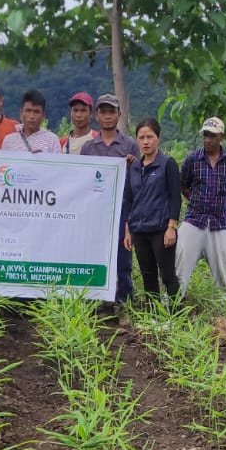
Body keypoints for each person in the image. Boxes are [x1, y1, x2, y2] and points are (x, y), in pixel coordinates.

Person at [177, 116, 226, 295]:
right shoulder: (192, 159)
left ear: (221, 137)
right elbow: (183, 186)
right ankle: (173, 303)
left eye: (212, 136)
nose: (207, 140)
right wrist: (196, 201)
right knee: (180, 262)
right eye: (205, 135)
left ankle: (223, 306)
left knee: (221, 270)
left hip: (220, 222)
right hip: (194, 219)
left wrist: (219, 205)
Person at [81, 94, 135, 307]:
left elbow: (136, 180)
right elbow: (82, 180)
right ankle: (96, 301)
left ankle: (124, 303)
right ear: (97, 116)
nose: (108, 116)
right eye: (103, 112)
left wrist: (131, 164)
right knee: (95, 255)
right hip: (95, 212)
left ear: (119, 115)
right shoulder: (88, 147)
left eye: (112, 111)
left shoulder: (130, 146)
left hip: (122, 209)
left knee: (123, 259)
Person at [122, 117, 181, 303]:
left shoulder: (167, 164)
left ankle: (176, 314)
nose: (145, 142)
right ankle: (153, 314)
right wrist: (128, 230)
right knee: (148, 278)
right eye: (141, 138)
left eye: (150, 137)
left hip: (161, 230)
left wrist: (171, 227)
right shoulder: (134, 167)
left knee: (168, 276)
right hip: (139, 231)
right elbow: (129, 200)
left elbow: (175, 197)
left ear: (158, 138)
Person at [2, 90, 61, 154]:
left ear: (43, 115)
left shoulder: (52, 140)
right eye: (28, 111)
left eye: (36, 112)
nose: (32, 116)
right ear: (21, 113)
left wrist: (42, 157)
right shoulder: (9, 140)